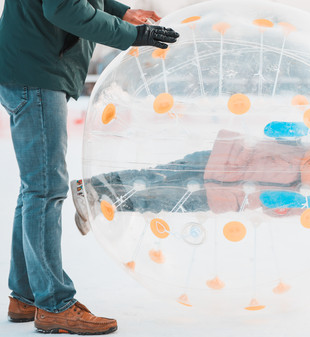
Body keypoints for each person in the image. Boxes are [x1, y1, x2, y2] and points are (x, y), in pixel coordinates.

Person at [0, 1, 179, 335]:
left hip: (30, 67)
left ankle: (25, 296)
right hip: (35, 71)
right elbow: (64, 8)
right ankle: (54, 305)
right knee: (44, 189)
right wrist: (133, 34)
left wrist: (122, 12)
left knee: (35, 189)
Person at [71, 124, 310, 233]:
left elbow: (271, 209)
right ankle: (91, 187)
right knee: (154, 177)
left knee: (156, 199)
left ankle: (102, 203)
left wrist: (285, 203)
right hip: (215, 162)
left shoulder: (305, 202)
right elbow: (278, 130)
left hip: (216, 199)